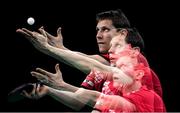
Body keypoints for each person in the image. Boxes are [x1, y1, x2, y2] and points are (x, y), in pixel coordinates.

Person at [29, 44, 166, 112]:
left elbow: (91, 96)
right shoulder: (113, 89)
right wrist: (52, 90)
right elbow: (87, 100)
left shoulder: (146, 89)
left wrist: (49, 48)